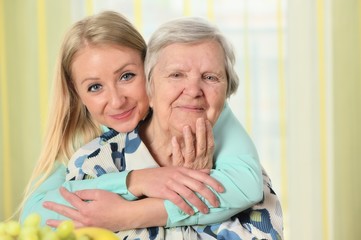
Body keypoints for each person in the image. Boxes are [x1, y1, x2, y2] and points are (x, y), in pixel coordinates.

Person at [20, 11, 283, 239]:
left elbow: (247, 185)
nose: (117, 101)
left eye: (126, 76)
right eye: (95, 87)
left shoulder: (204, 111)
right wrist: (134, 181)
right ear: (78, 95)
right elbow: (37, 212)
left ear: (149, 73)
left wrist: (129, 214)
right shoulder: (85, 145)